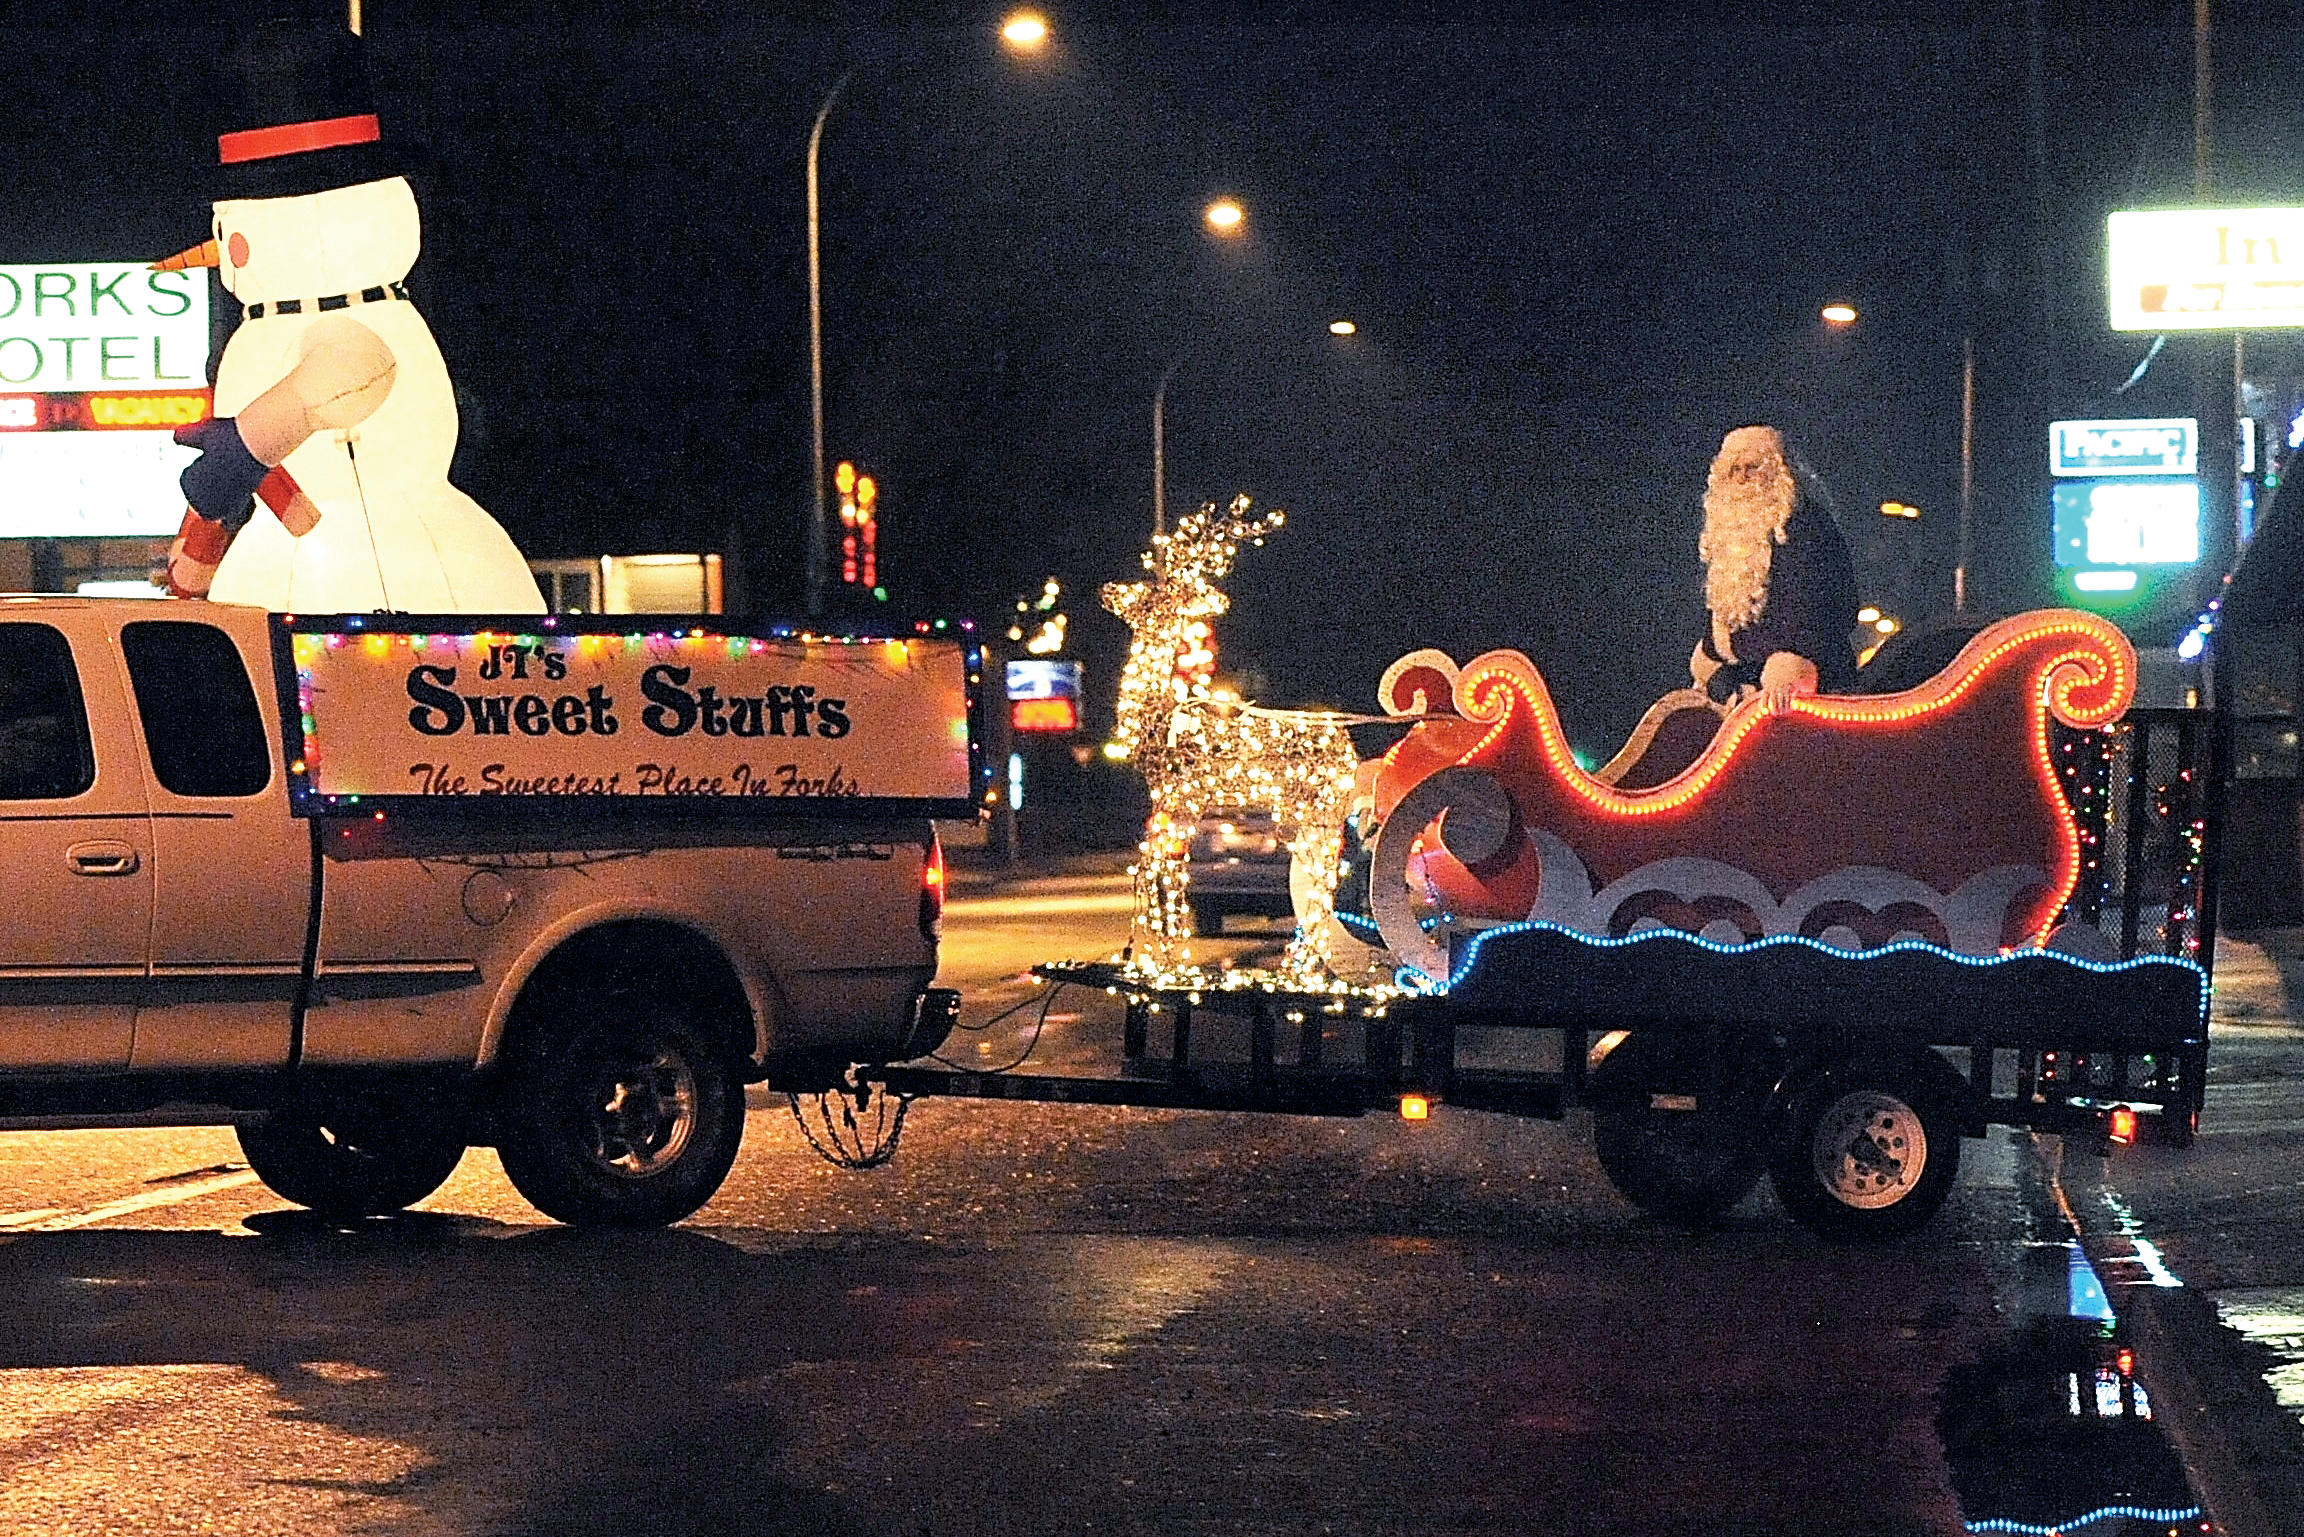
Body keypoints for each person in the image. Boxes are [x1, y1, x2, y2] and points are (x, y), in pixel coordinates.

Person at [1687, 425, 1860, 714]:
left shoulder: (1806, 526)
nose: (1743, 477)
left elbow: (1809, 621)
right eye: (1735, 470)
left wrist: (1723, 649)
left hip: (1812, 674)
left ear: (1776, 472)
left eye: (1752, 467)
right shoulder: (1735, 536)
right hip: (1750, 668)